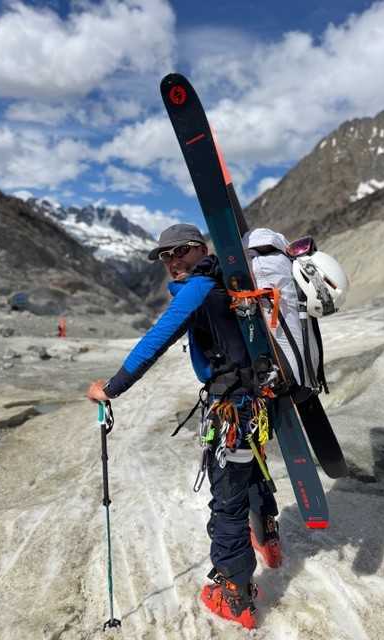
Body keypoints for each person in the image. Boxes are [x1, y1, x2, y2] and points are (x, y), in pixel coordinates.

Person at [87, 223, 282, 629]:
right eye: (165, 256)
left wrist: (112, 387)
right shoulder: (231, 282)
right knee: (253, 473)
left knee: (227, 502)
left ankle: (235, 595)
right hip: (257, 404)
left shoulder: (200, 288)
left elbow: (156, 338)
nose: (172, 261)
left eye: (180, 251)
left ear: (201, 249)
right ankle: (268, 539)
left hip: (230, 410)